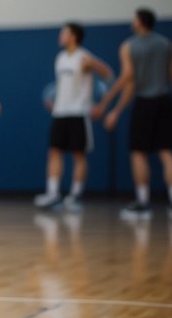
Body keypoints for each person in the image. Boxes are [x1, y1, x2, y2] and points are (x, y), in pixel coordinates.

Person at [97, 9, 172, 220]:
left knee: (138, 153)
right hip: (164, 100)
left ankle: (143, 203)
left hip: (144, 102)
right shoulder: (166, 44)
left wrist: (109, 105)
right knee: (167, 153)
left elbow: (128, 79)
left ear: (139, 22)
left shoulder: (128, 46)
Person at [34, 22, 113, 212]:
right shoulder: (60, 58)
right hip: (60, 112)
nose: (60, 35)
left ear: (73, 36)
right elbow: (63, 85)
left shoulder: (84, 56)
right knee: (54, 152)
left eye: (64, 33)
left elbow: (108, 74)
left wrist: (101, 105)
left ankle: (75, 196)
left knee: (78, 155)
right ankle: (53, 194)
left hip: (79, 113)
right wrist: (55, 101)